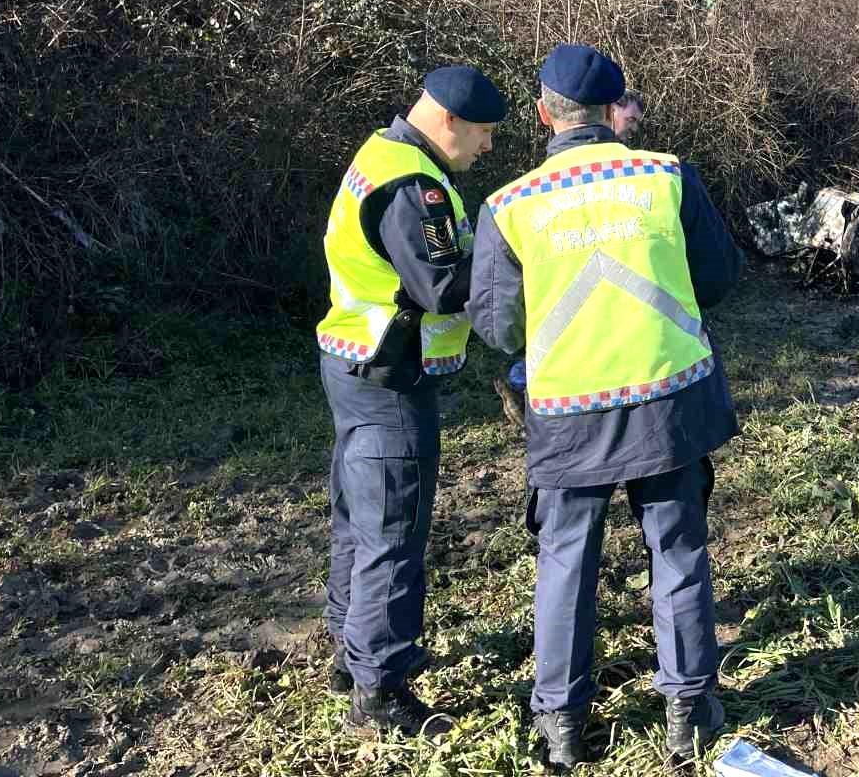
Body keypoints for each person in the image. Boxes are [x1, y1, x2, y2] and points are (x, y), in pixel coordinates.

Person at [469, 44, 742, 768]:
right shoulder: (665, 176)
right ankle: (689, 709)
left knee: (566, 565)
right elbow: (718, 279)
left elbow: (497, 328)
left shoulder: (509, 206)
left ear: (542, 115)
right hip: (669, 402)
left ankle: (561, 724)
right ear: (614, 110)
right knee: (677, 552)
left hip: (566, 419)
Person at [316, 65, 506, 738]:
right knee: (394, 531)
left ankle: (351, 650)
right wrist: (507, 252)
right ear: (451, 121)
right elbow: (442, 286)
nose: (486, 148)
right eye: (483, 134)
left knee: (360, 519)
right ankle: (383, 690)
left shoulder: (380, 151)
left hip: (354, 360)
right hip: (393, 376)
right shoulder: (413, 185)